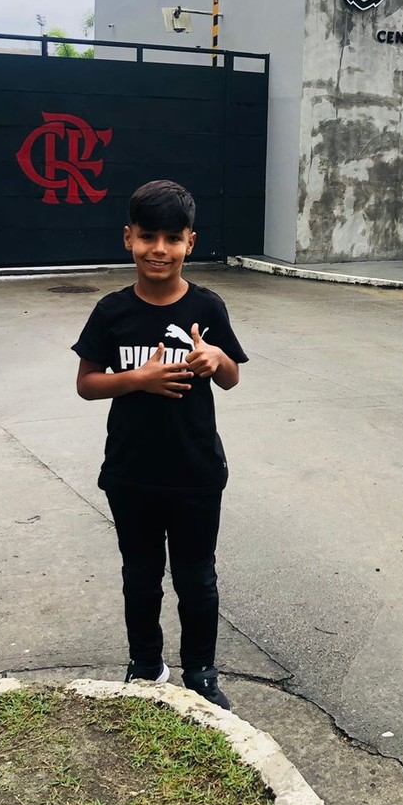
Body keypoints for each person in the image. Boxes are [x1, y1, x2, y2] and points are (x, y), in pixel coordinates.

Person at [72, 180, 248, 710]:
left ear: (190, 244)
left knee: (197, 579)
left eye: (172, 238)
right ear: (128, 238)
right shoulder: (111, 311)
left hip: (195, 472)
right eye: (148, 236)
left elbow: (232, 377)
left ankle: (200, 672)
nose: (159, 249)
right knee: (140, 577)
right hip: (130, 472)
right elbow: (86, 384)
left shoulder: (207, 306)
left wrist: (215, 359)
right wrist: (139, 379)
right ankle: (146, 665)